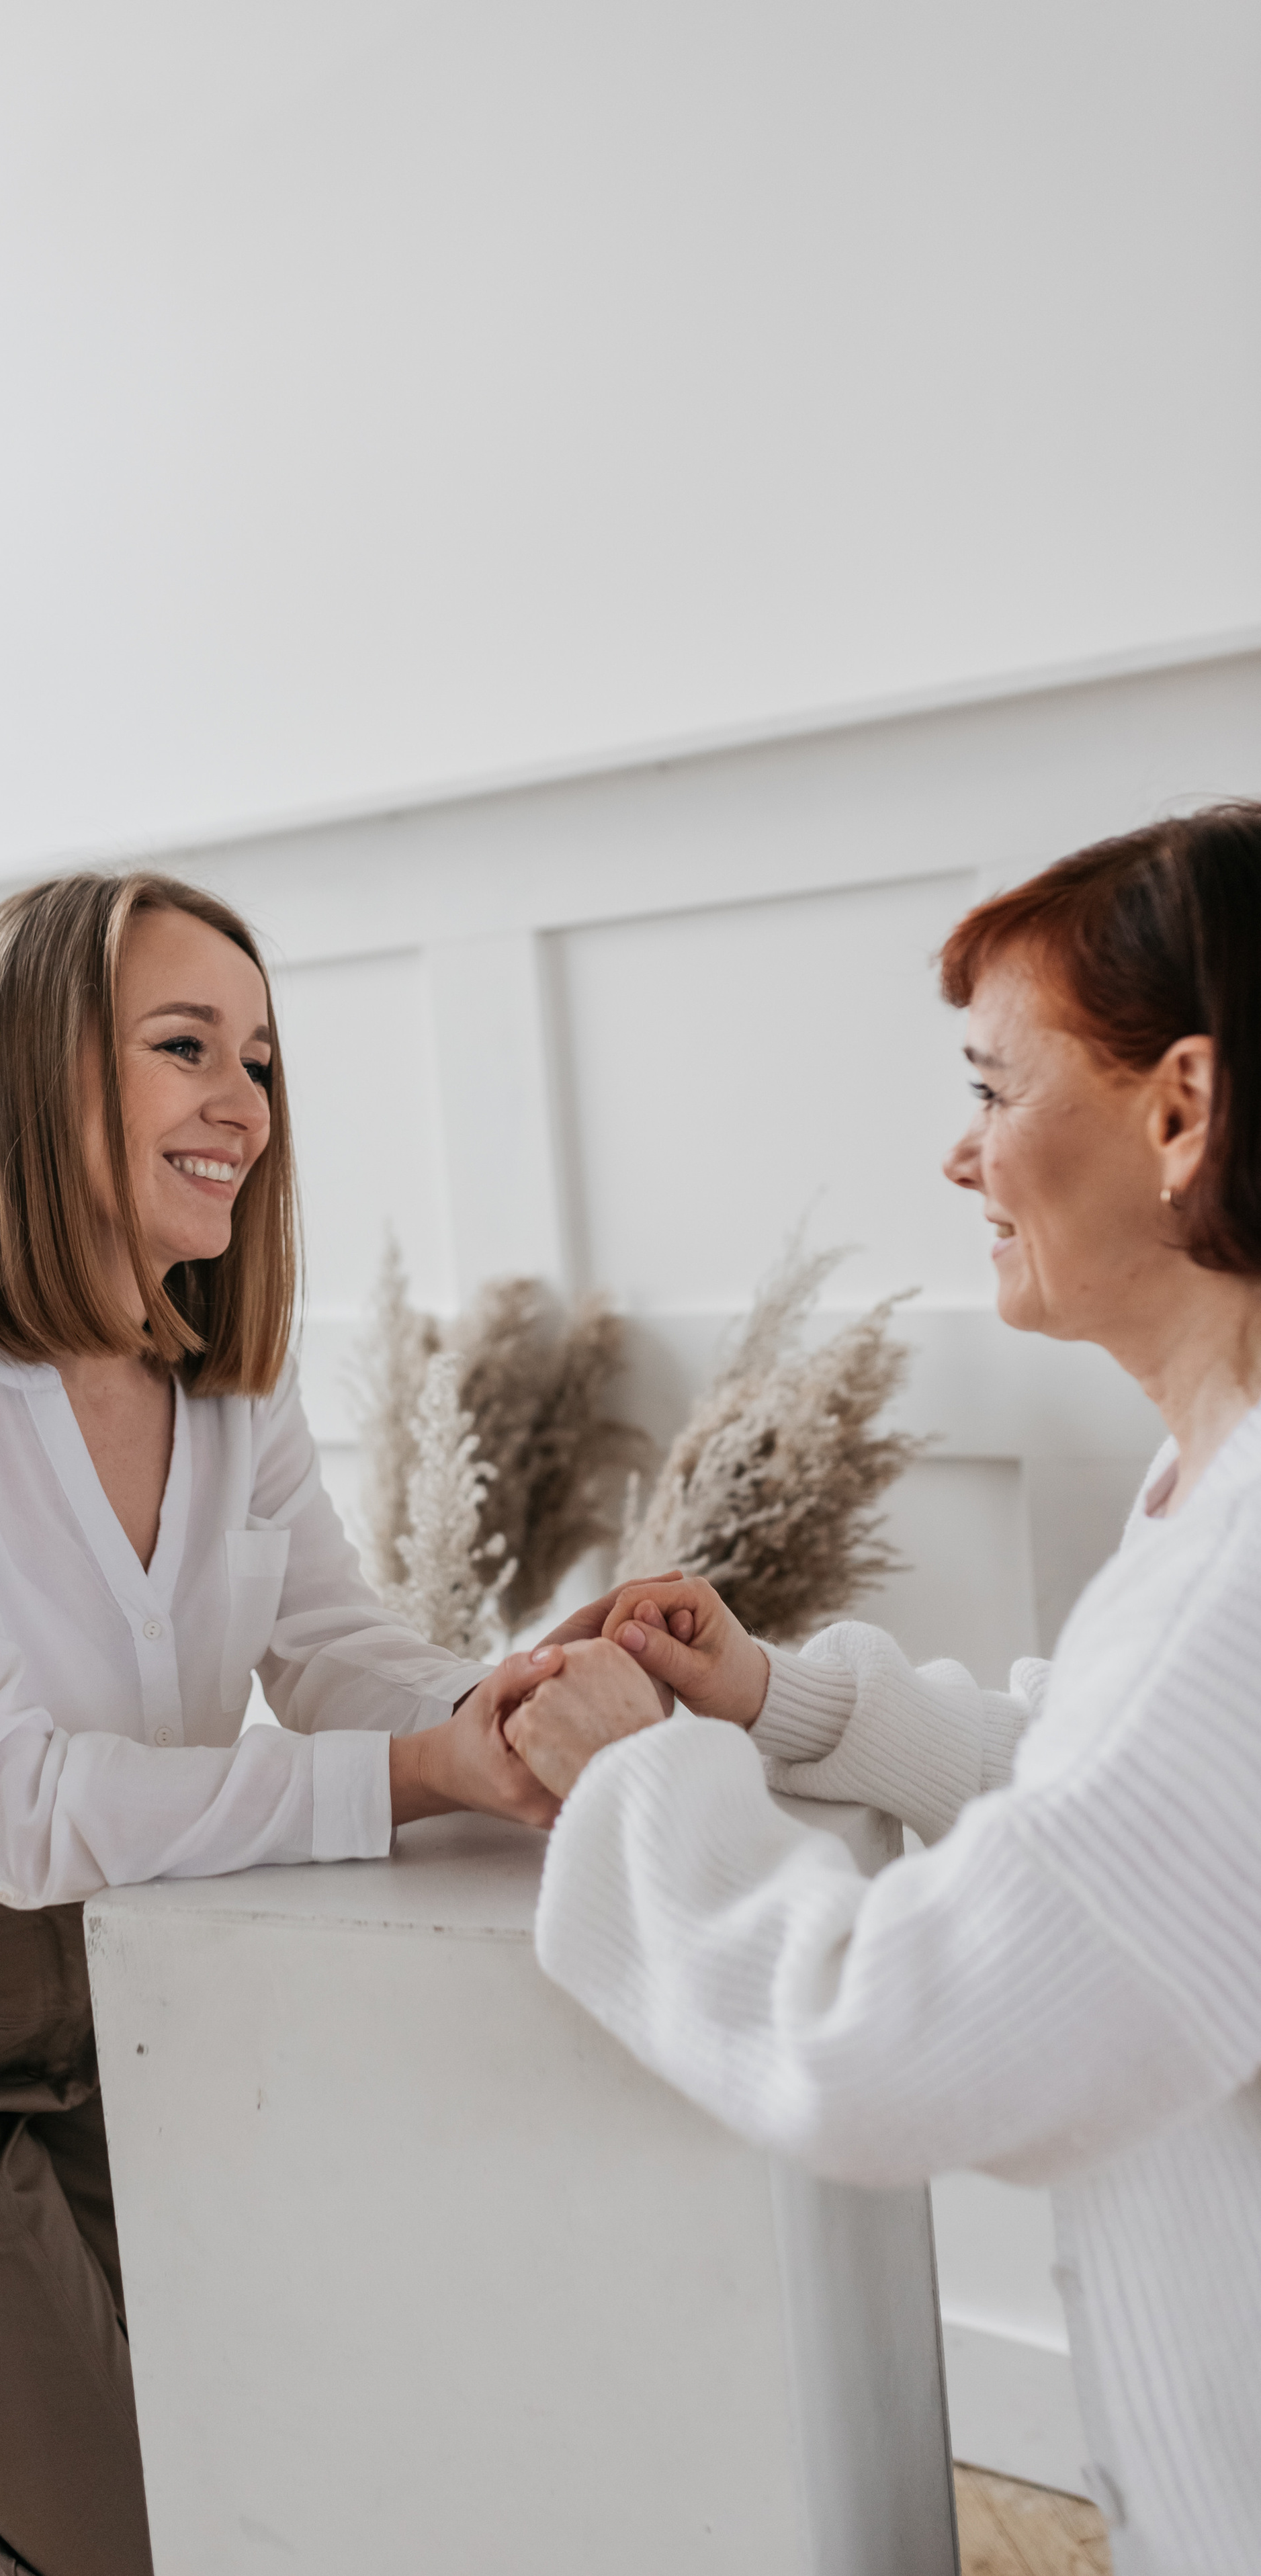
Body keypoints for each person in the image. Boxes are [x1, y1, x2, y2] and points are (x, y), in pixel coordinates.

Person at [0, 871, 560, 2576]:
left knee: (110, 2512)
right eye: (186, 1046)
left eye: (259, 1059)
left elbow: (331, 1649)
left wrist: (504, 1703)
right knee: (139, 2534)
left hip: (133, 2000)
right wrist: (416, 1775)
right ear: (34, 1072)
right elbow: (17, 1812)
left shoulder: (229, 1387)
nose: (241, 1104)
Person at [503, 802, 1261, 2575]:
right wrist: (783, 1703)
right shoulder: (1217, 1490)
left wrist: (631, 1787)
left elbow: (886, 2048)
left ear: (1183, 1110)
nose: (961, 1153)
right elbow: (1124, 1819)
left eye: (996, 1089)